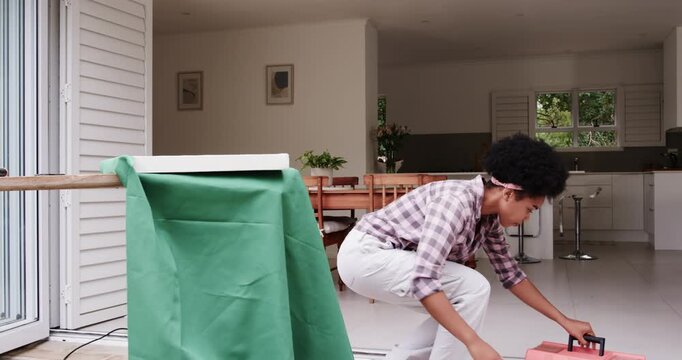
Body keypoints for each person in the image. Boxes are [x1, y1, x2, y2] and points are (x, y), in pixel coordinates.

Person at [337, 134, 594, 360]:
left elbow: (512, 276)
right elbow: (424, 280)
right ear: (507, 193)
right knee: (473, 287)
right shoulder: (455, 203)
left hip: (382, 259)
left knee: (463, 302)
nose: (527, 218)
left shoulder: (489, 219)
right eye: (529, 209)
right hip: (366, 256)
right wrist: (474, 343)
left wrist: (564, 321)